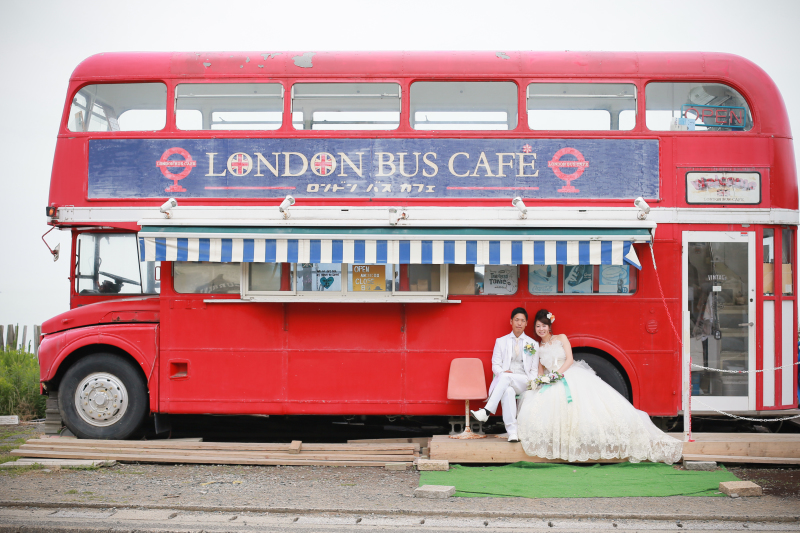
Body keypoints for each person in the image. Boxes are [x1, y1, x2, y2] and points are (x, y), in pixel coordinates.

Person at [516, 309, 683, 464]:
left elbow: (569, 359)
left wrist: (557, 374)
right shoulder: (538, 347)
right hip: (551, 379)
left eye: (544, 325)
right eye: (538, 326)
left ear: (549, 326)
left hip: (568, 374)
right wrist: (541, 381)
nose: (541, 329)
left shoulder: (561, 338)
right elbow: (540, 369)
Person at [470, 307, 539, 442]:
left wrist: (531, 383)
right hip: (506, 381)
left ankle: (486, 411)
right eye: (517, 320)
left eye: (522, 320)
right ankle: (512, 433)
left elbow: (534, 370)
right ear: (511, 321)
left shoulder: (533, 344)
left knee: (506, 377)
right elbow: (495, 365)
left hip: (525, 381)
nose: (519, 323)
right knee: (508, 391)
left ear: (526, 323)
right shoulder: (500, 341)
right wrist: (502, 373)